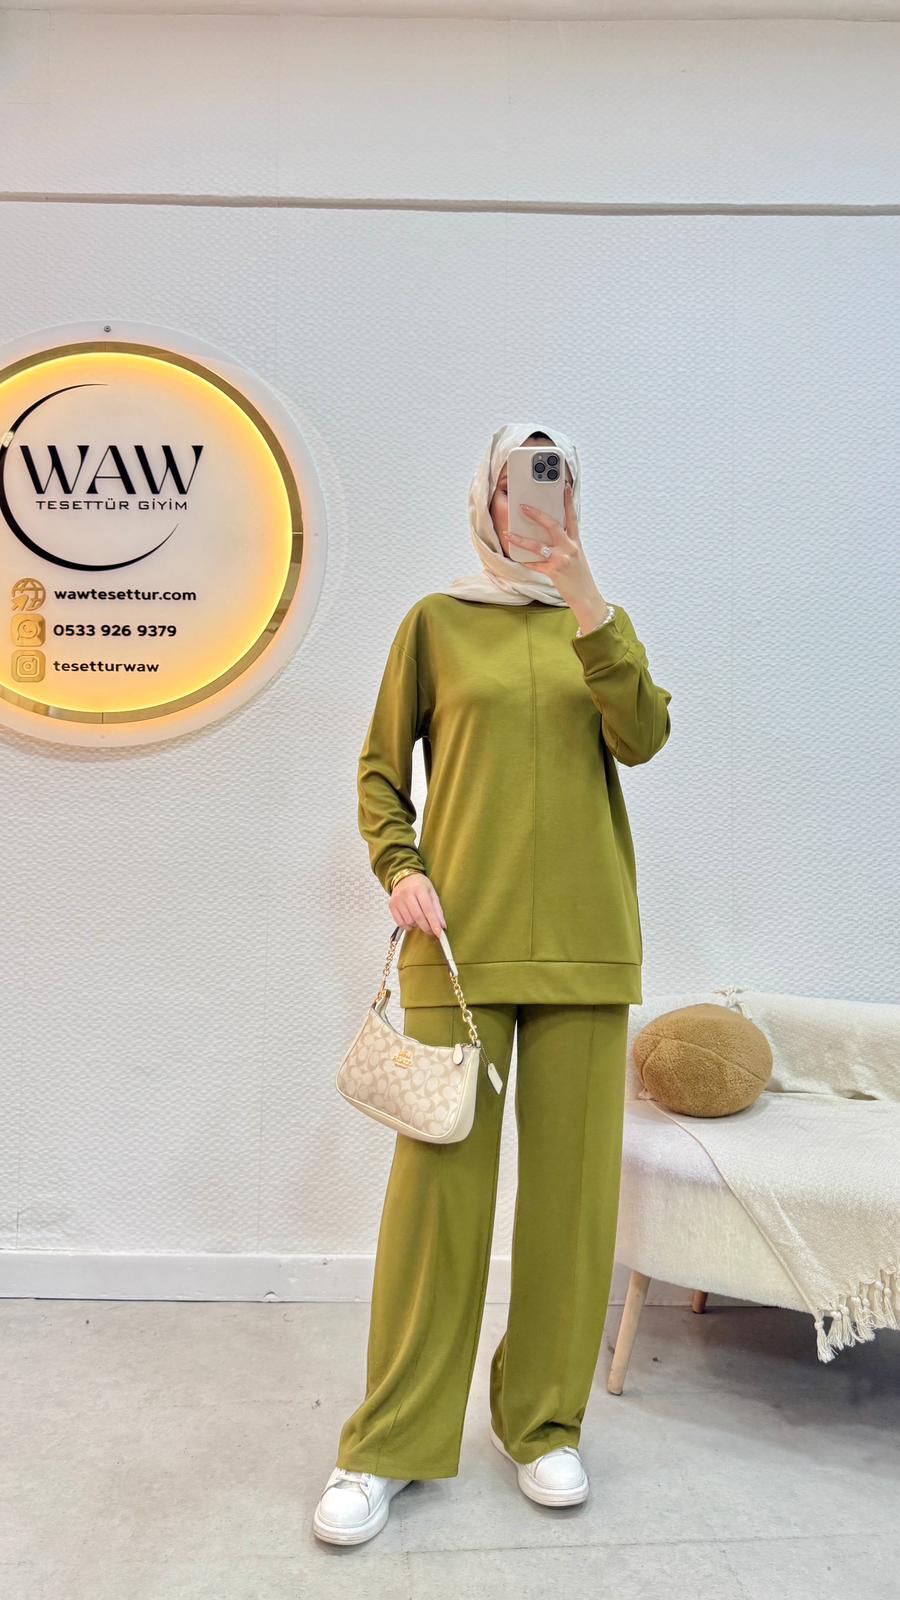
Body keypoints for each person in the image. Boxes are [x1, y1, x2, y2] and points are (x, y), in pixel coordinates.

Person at [313, 423, 672, 1546]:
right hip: (456, 950)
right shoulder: (434, 624)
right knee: (437, 1204)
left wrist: (586, 597)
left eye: (554, 485)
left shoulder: (596, 625)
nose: (535, 504)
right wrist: (401, 867)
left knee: (573, 1203)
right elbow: (382, 772)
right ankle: (388, 1442)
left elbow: (644, 737)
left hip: (587, 945)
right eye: (520, 483)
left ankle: (544, 1424)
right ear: (487, 497)